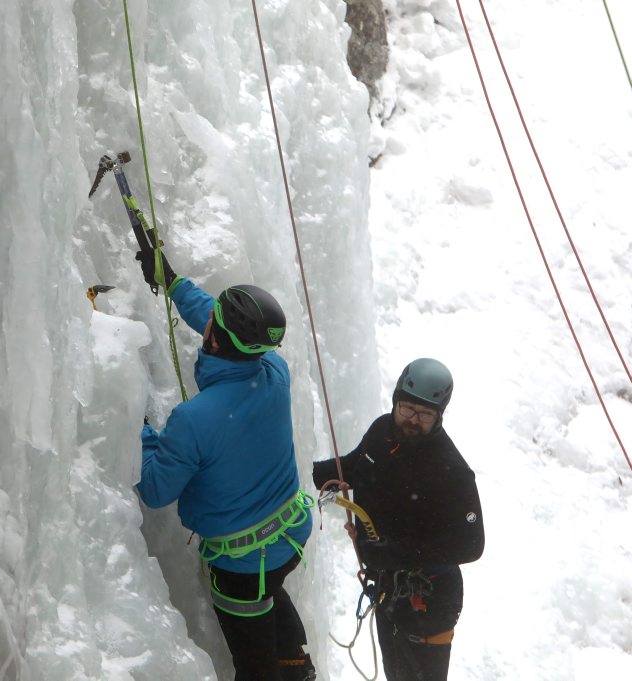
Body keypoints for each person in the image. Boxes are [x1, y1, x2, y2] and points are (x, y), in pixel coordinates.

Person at [133, 247, 316, 681]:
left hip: (242, 567)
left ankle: (285, 670)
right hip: (289, 537)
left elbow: (156, 490)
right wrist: (174, 283)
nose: (208, 319)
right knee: (271, 591)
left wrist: (135, 424)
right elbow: (218, 324)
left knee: (254, 668)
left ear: (215, 339)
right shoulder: (273, 370)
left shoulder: (195, 420)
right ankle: (297, 666)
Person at [312, 358, 485, 681]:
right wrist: (302, 473)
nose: (412, 420)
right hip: (388, 588)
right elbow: (353, 466)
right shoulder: (382, 431)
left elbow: (471, 545)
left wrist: (393, 553)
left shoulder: (452, 472)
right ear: (396, 402)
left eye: (425, 415)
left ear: (439, 416)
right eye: (406, 408)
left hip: (429, 598)